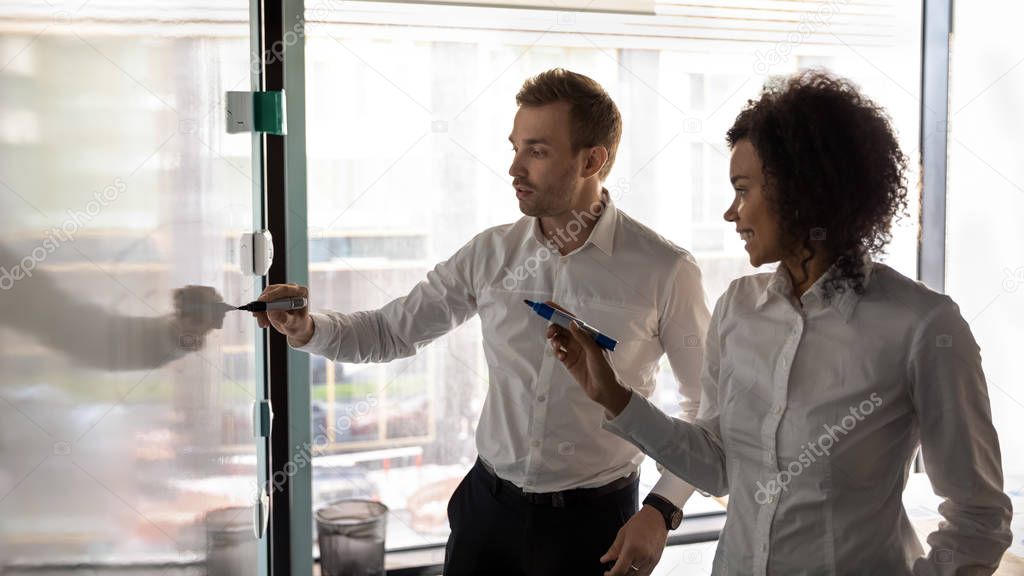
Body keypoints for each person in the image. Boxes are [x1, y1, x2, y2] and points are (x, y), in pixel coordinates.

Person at [546, 70, 1014, 575]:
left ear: (803, 190)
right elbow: (720, 465)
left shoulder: (922, 327)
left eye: (742, 190)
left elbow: (978, 519)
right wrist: (613, 396)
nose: (731, 213)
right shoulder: (737, 308)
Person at [255, 68, 710, 575]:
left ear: (593, 160)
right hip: (487, 516)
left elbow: (706, 404)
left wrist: (663, 508)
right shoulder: (489, 255)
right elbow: (391, 331)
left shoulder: (666, 270)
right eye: (514, 147)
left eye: (536, 151)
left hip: (598, 526)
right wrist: (307, 327)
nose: (514, 167)